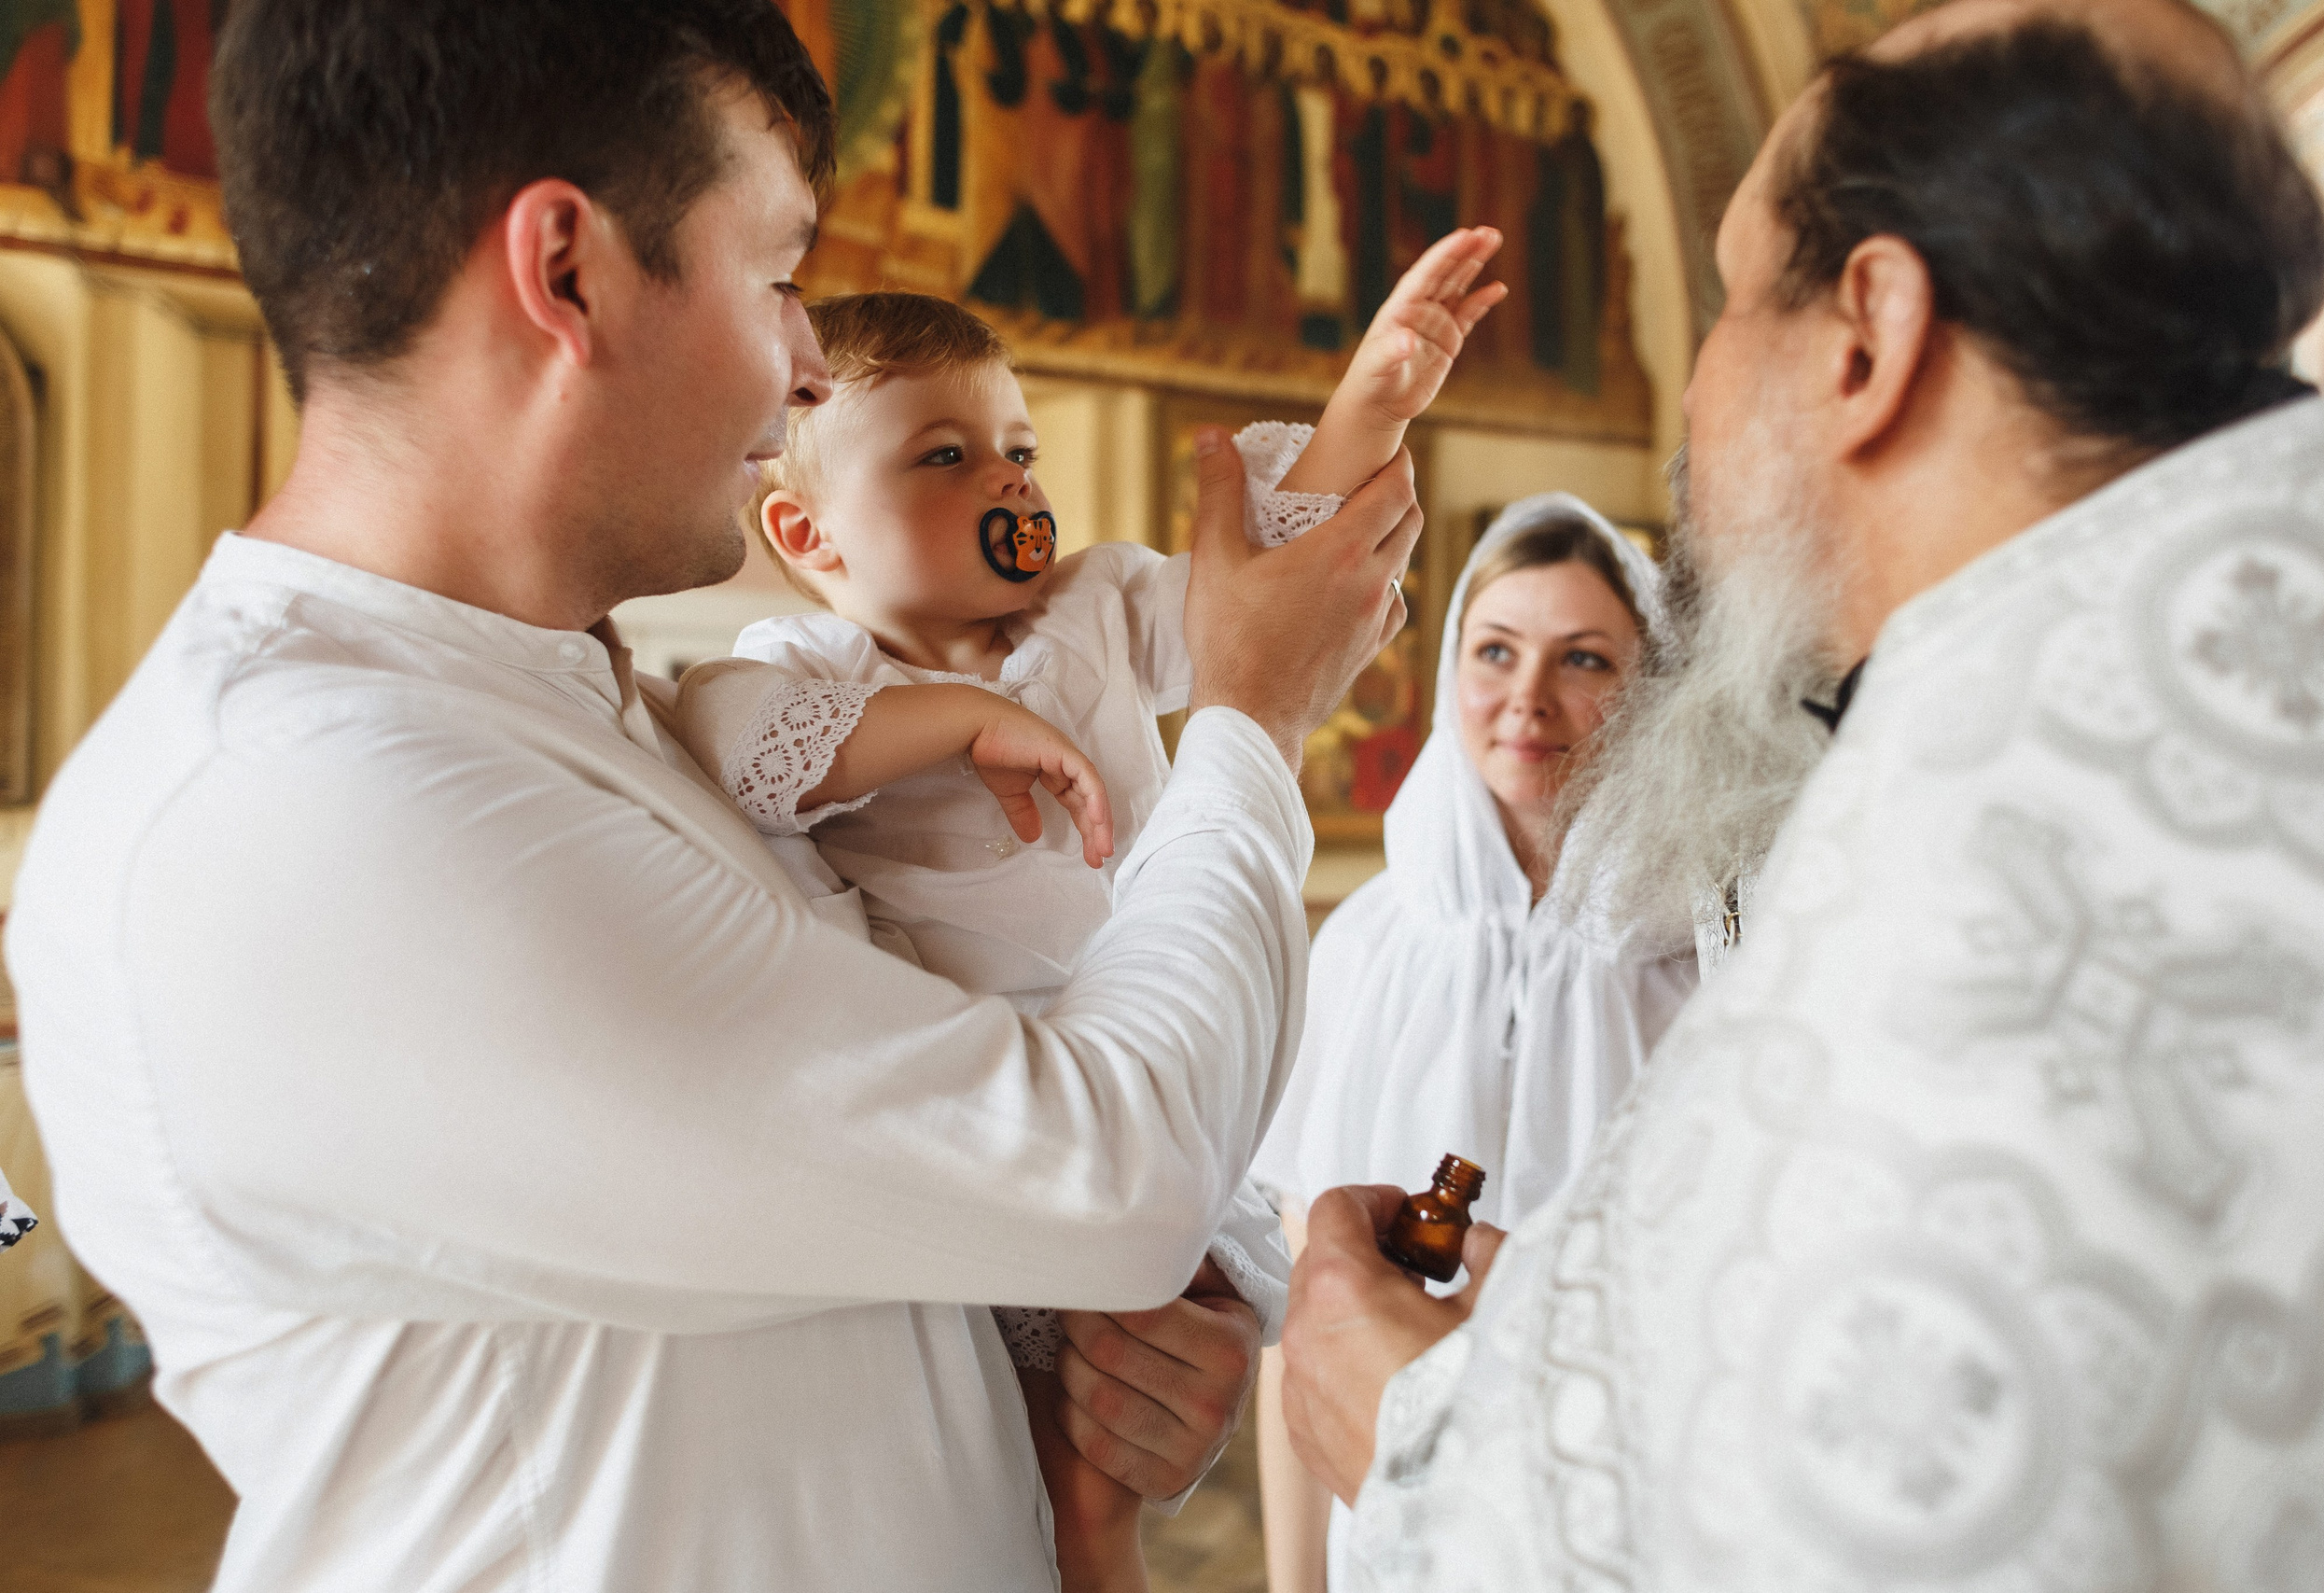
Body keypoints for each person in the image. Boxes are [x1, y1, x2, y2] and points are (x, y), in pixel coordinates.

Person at [2, 4, 1424, 1588]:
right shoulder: (315, 803)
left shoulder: (579, 700)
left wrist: (1050, 1410)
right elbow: (1115, 1173)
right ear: (570, 271)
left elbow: (834, 1217)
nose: (811, 360)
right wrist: (1251, 714)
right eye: (781, 278)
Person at [1276, 3, 2324, 1587]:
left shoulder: (1963, 891)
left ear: (1868, 335)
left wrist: (1415, 1436)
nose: (1699, 391)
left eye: (1732, 300)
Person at [671, 242, 1501, 1589]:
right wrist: (957, 721)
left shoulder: (1096, 606)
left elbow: (1261, 581)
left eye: (1017, 446)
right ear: (808, 536)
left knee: (1123, 1423)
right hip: (987, 1122)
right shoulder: (812, 663)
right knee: (1019, 1445)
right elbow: (735, 741)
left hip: (1148, 1059)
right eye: (941, 456)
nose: (1008, 476)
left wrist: (1374, 409)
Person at [1246, 495, 1693, 1592]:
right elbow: (1309, 1326)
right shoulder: (1367, 949)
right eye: (1495, 651)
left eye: (1583, 659)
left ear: (1649, 695)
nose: (1528, 700)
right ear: (1450, 671)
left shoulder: (1694, 957)